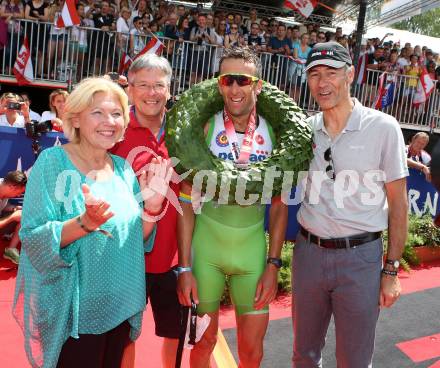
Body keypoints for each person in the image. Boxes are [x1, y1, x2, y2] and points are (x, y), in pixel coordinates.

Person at [13, 77, 171, 368]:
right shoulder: (53, 162)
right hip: (74, 314)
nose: (109, 121)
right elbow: (33, 237)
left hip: (120, 308)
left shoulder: (123, 169)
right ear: (76, 118)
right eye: (97, 112)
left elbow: (137, 240)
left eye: (116, 113)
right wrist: (84, 223)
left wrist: (152, 207)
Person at [293, 41, 408, 367]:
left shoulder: (384, 128)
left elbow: (399, 206)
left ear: (351, 75)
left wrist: (391, 269)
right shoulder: (305, 129)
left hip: (361, 260)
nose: (322, 82)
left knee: (354, 360)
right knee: (303, 355)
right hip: (309, 255)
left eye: (331, 72)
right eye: (314, 74)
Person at [177, 46, 287, 367]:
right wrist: (185, 268)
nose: (235, 89)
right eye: (228, 81)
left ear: (258, 85)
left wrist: (273, 264)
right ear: (219, 85)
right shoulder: (206, 127)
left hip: (251, 251)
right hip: (206, 249)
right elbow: (185, 200)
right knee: (202, 343)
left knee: (252, 352)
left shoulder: (274, 133)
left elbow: (279, 206)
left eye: (243, 80)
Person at [110, 54, 181, 368]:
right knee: (122, 338)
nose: (151, 93)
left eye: (158, 86)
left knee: (176, 335)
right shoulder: (112, 131)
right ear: (130, 88)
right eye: (143, 85)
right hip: (125, 259)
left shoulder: (186, 132)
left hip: (176, 260)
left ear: (169, 89)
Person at [0, 170, 26, 265]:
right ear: (12, 187)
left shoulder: (3, 187)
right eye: (20, 192)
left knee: (23, 216)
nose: (19, 195)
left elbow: (2, 206)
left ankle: (10, 250)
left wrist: (13, 208)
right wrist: (12, 217)